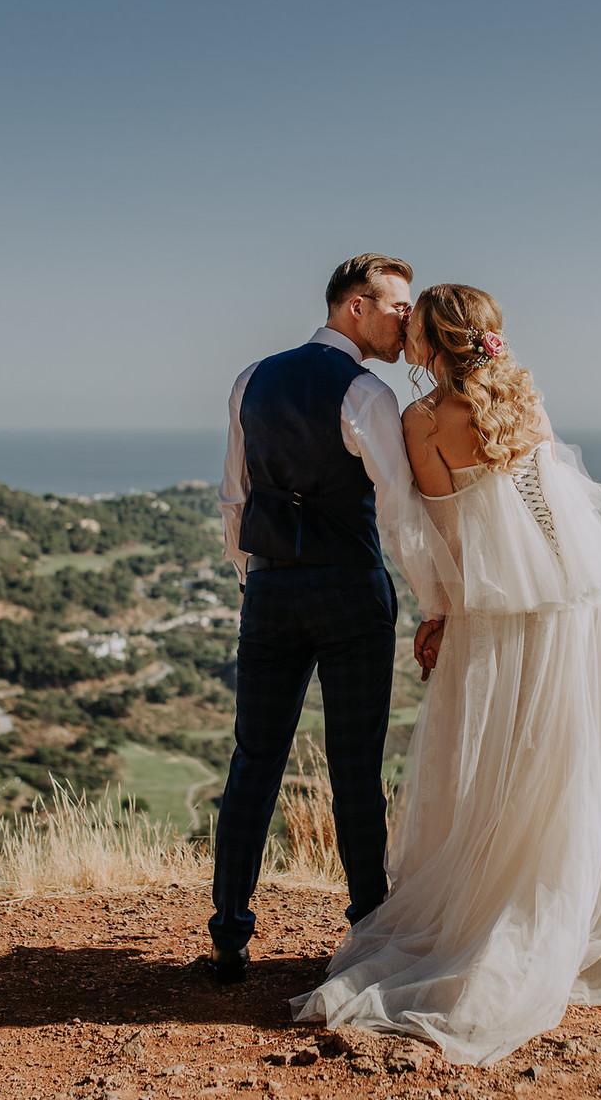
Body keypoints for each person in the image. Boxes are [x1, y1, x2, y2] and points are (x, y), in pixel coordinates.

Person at [290, 283, 601, 1065]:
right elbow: (553, 510)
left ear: (432, 344)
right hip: (578, 603)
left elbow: (444, 536)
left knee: (499, 758)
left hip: (497, 612)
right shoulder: (523, 399)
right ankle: (586, 911)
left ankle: (500, 917)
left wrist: (438, 615)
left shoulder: (423, 420)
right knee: (577, 754)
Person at [208, 253, 450, 983]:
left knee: (253, 760)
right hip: (349, 594)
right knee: (354, 769)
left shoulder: (251, 379)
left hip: (273, 595)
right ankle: (369, 932)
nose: (406, 320)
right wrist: (434, 605)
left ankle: (228, 933)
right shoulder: (366, 393)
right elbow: (402, 510)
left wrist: (260, 576)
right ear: (355, 307)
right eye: (397, 307)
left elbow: (234, 499)